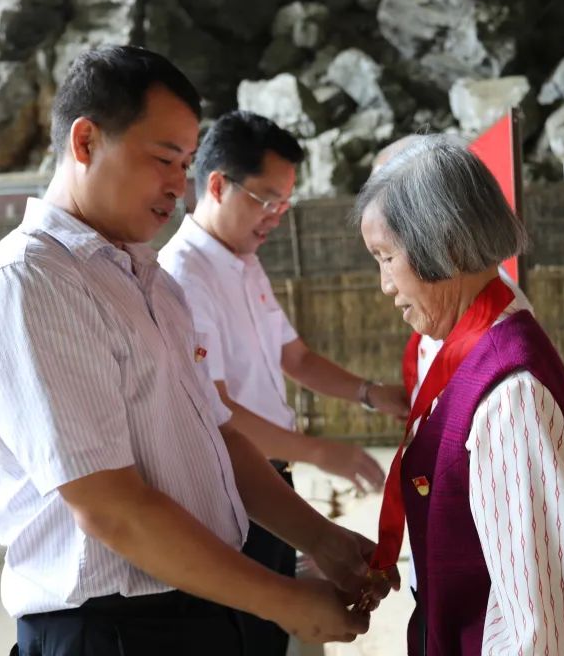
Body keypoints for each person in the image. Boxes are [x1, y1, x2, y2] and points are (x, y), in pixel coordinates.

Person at [0, 46, 390, 656]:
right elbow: (112, 509)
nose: (178, 186)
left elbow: (221, 435)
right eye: (162, 159)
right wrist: (285, 602)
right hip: (115, 628)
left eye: (184, 163)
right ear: (85, 142)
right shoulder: (31, 284)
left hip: (198, 599)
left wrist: (321, 538)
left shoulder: (149, 281)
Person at [356, 135, 564, 656]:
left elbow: (537, 633)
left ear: (446, 246)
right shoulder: (471, 347)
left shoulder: (510, 397)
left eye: (386, 257)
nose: (385, 284)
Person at [159, 110, 409, 656]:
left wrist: (371, 394)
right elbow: (217, 412)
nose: (275, 216)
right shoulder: (183, 276)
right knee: (249, 630)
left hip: (273, 477)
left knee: (280, 630)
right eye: (266, 200)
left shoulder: (244, 262)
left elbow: (295, 357)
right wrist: (322, 451)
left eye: (284, 203)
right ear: (217, 185)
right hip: (235, 487)